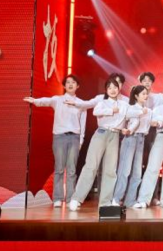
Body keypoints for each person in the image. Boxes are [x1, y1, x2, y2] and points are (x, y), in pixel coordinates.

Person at [23, 74, 102, 206]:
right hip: (59, 137)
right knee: (59, 168)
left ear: (77, 86)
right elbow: (46, 101)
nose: (70, 84)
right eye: (68, 82)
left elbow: (83, 124)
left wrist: (81, 141)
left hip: (74, 137)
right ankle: (57, 199)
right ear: (64, 86)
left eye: (73, 82)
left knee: (71, 169)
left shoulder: (81, 104)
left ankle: (71, 199)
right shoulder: (57, 100)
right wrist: (35, 100)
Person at [69, 77, 137, 210]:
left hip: (115, 135)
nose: (113, 90)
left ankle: (105, 202)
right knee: (91, 166)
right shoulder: (102, 102)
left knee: (110, 170)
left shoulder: (124, 105)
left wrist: (130, 129)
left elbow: (135, 117)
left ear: (119, 89)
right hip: (101, 133)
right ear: (106, 90)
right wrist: (111, 111)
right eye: (109, 88)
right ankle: (77, 198)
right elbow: (95, 112)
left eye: (115, 87)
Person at [112, 84, 152, 206]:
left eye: (146, 94)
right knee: (124, 171)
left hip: (141, 139)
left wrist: (160, 122)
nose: (146, 96)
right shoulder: (130, 108)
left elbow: (151, 122)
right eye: (143, 94)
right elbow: (127, 115)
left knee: (137, 173)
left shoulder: (149, 110)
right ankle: (116, 199)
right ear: (136, 96)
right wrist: (140, 112)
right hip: (130, 138)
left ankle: (130, 201)